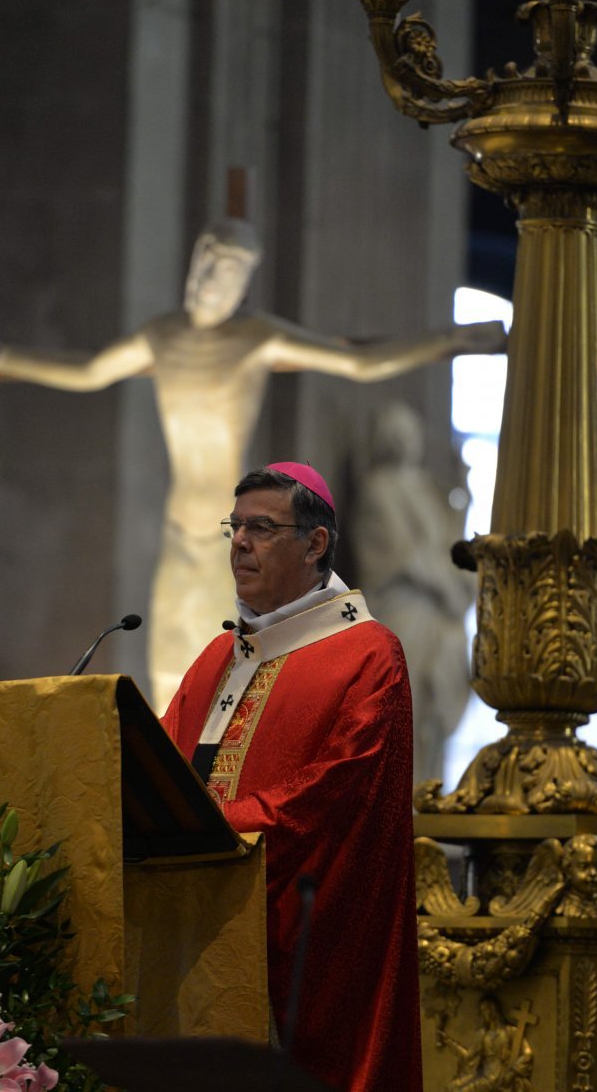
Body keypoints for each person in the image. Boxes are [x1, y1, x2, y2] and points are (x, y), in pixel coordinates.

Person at [0, 217, 506, 714]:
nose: (219, 283)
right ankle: (172, 795)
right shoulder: (164, 335)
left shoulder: (254, 336)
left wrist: (449, 341)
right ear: (195, 267)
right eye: (213, 268)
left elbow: (356, 363)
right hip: (178, 528)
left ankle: (208, 792)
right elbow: (88, 371)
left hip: (232, 533)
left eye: (235, 273)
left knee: (220, 662)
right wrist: (4, 356)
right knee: (166, 661)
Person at [160, 461, 421, 1092]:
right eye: (235, 527)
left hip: (300, 942)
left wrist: (207, 828)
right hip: (187, 929)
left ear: (315, 543)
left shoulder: (368, 653)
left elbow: (336, 796)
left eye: (262, 528)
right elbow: (157, 762)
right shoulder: (220, 657)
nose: (240, 543)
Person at [352, 401, 475, 783]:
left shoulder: (423, 488)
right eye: (398, 432)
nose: (406, 441)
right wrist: (444, 585)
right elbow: (400, 555)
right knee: (405, 707)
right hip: (404, 611)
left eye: (410, 432)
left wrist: (462, 505)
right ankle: (402, 801)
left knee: (431, 714)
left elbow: (445, 543)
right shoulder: (379, 488)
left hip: (436, 614)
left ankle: (427, 793)